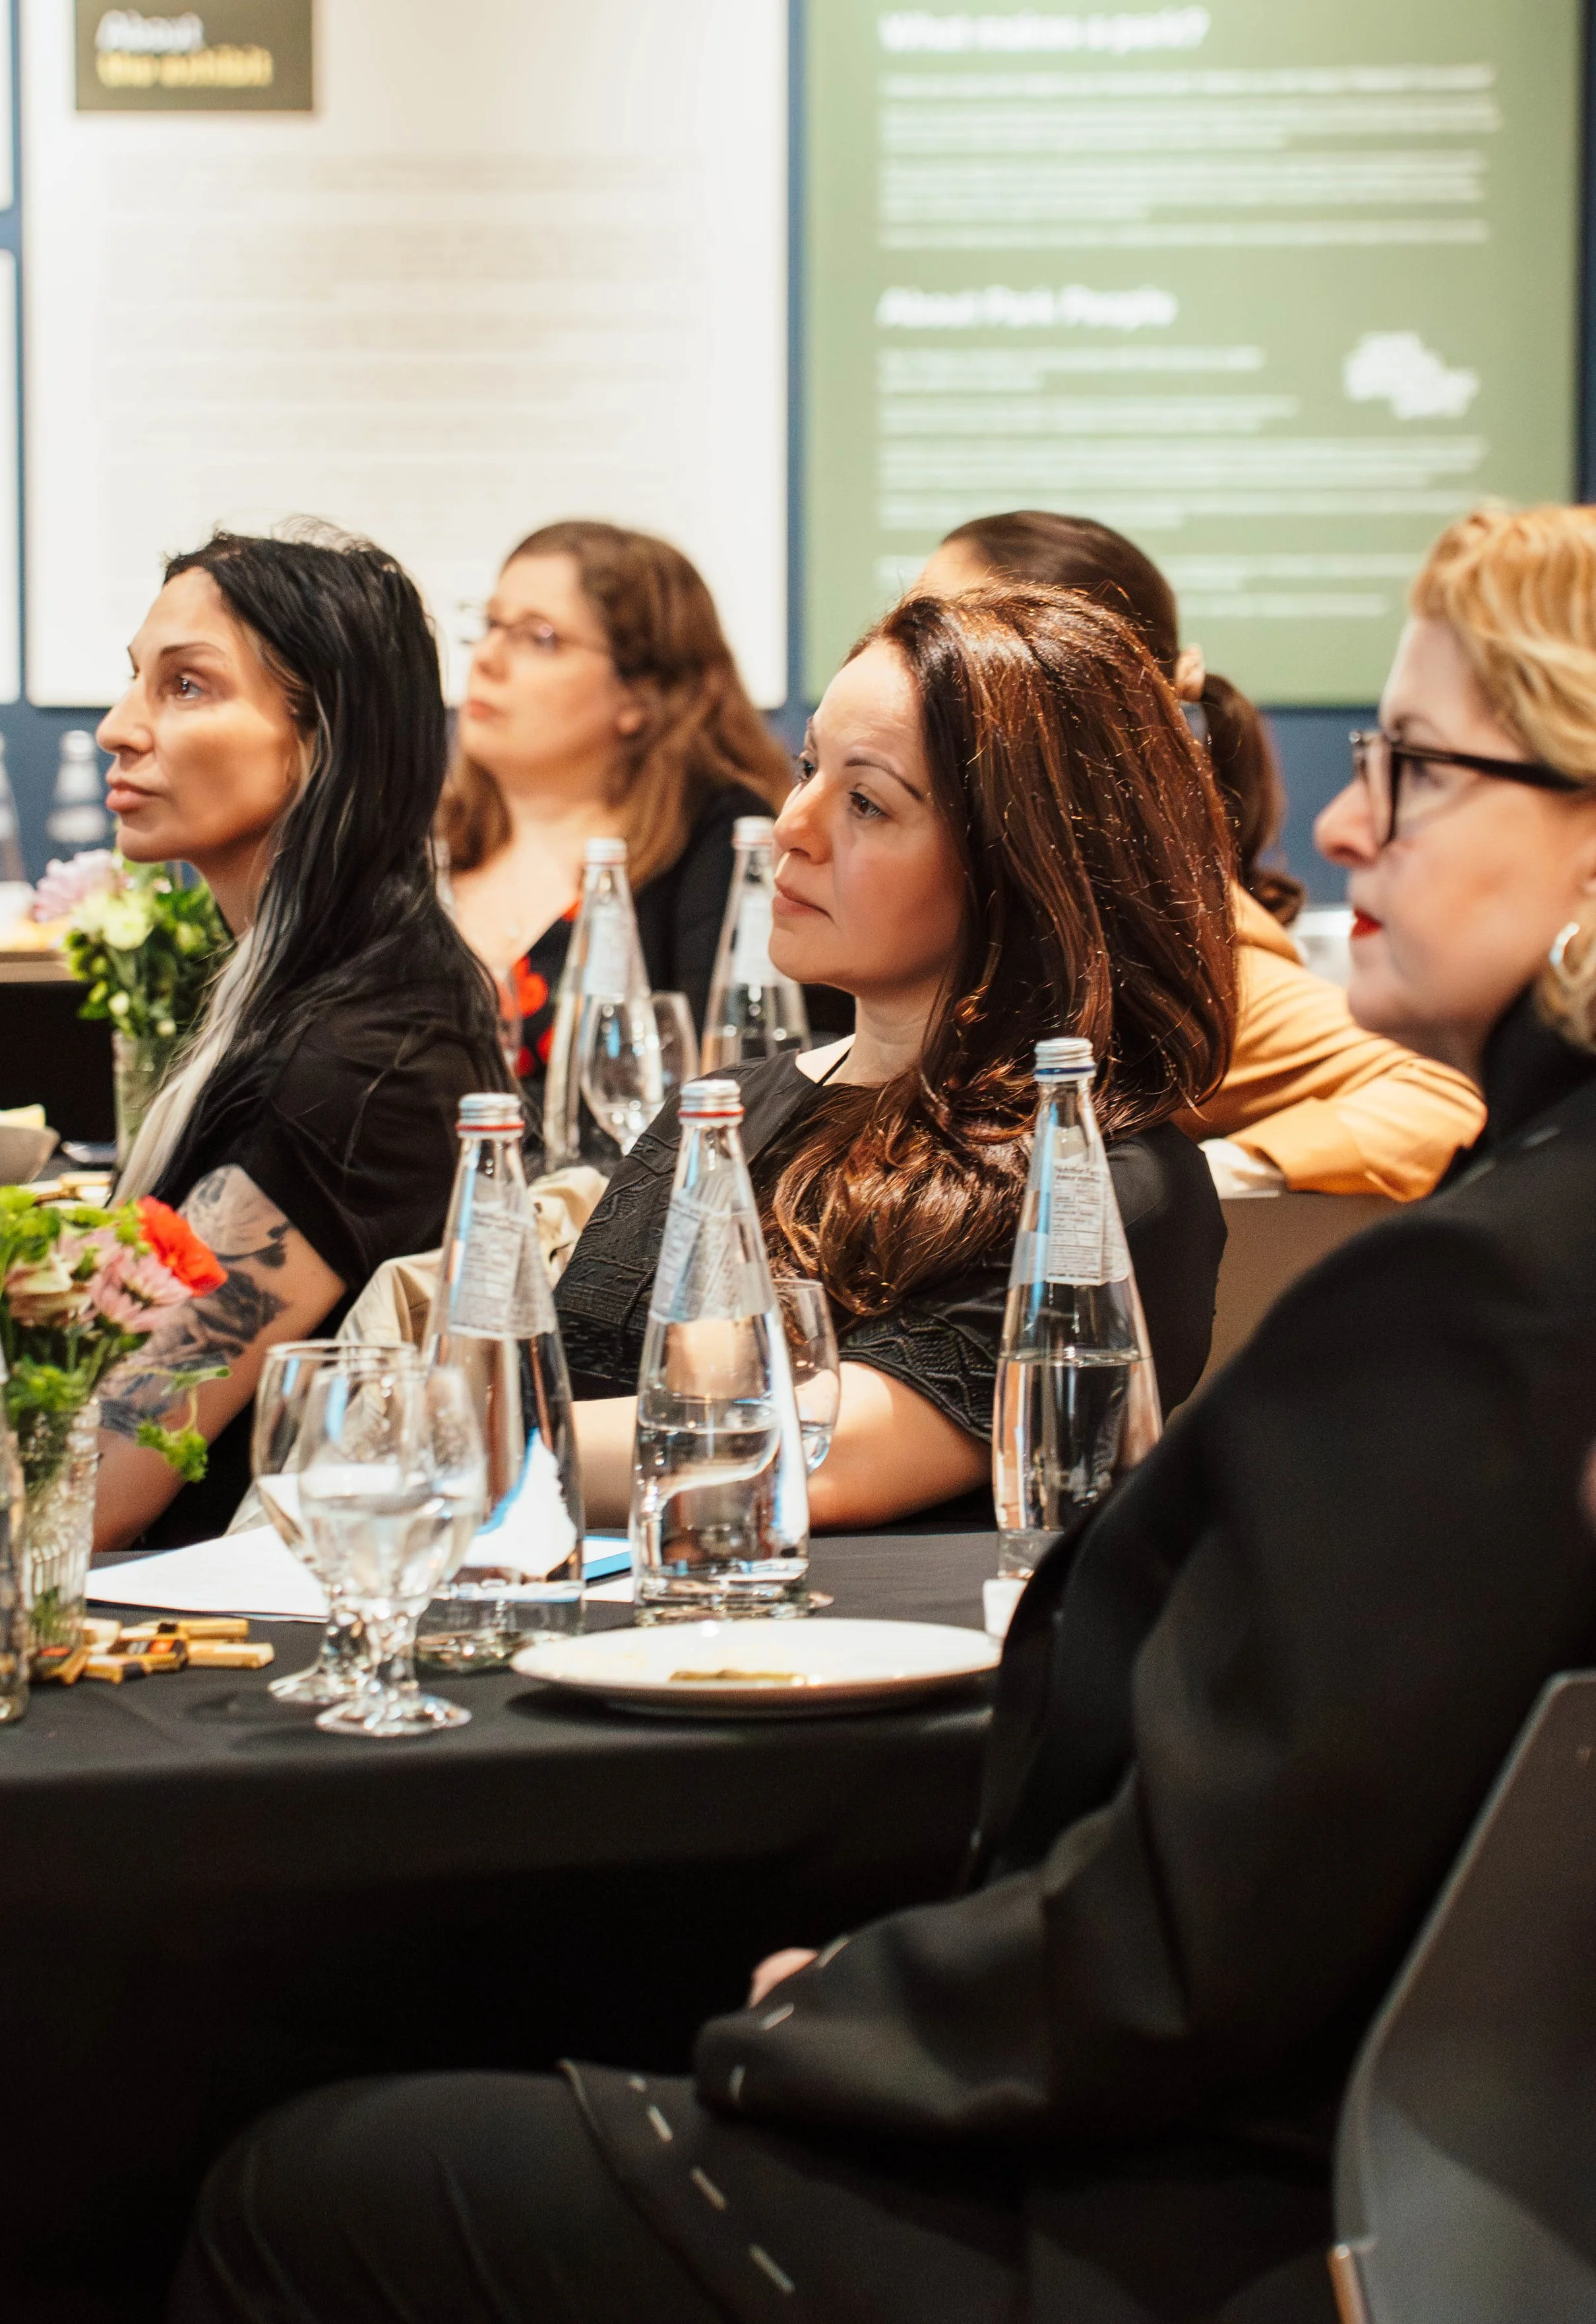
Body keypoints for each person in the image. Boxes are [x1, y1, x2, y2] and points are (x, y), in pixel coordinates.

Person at [171, 504, 1596, 2324]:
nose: (1332, 820)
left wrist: (824, 2015)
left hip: (1151, 2208)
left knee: (291, 2174)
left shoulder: (1470, 1293)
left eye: (1407, 766)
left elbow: (1197, 1936)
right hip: (1271, 2148)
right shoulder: (755, 1098)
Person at [553, 579, 1237, 1533]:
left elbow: (792, 1460)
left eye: (866, 802)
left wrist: (446, 1441)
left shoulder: (1103, 1186)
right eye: (808, 769)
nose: (792, 824)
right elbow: (556, 1385)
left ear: (1016, 866)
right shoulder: (720, 1111)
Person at [92, 529, 507, 1553]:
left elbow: (103, 1481)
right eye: (137, 681)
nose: (118, 728)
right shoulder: (338, 992)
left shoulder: (354, 1067)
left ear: (322, 741)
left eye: (187, 687)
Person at [923, 510, 1485, 1200]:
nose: (904, 660)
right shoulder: (964, 887)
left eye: (951, 645)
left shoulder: (1169, 942)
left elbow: (1436, 1097)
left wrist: (1192, 1182)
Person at [441, 520, 821, 1082]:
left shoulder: (720, 847)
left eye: (538, 637)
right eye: (491, 625)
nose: (488, 659)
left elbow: (731, 1082)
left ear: (642, 695)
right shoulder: (425, 845)